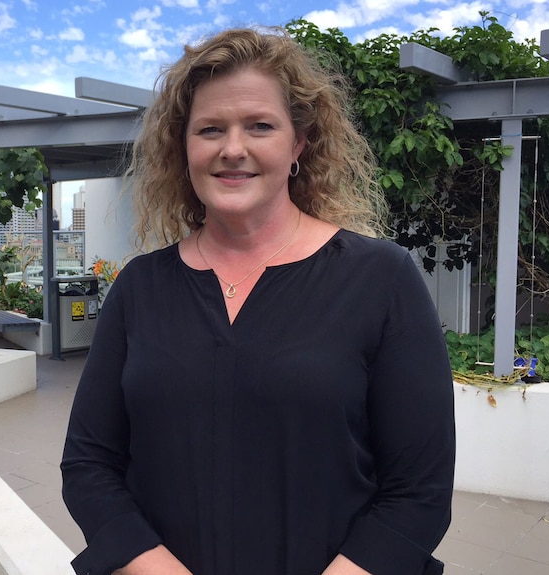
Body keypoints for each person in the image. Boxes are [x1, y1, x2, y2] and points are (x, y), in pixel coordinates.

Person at [61, 26, 455, 575]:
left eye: (260, 126)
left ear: (298, 144)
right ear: (184, 147)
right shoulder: (139, 288)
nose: (232, 149)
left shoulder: (380, 279)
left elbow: (420, 491)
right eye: (210, 129)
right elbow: (89, 465)